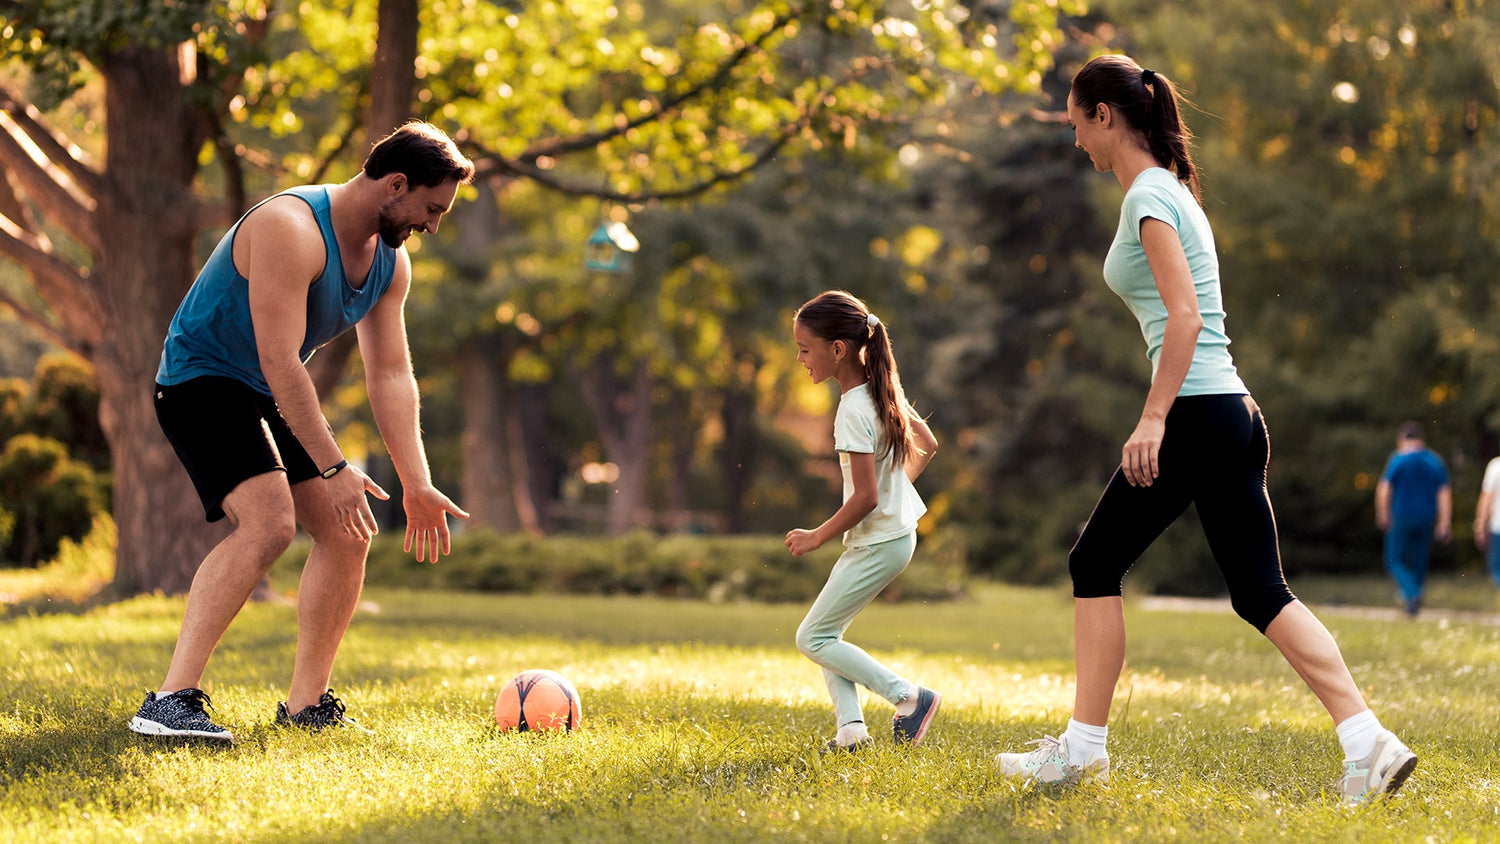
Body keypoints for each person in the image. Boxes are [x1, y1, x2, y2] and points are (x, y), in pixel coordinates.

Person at [993, 55, 1417, 805]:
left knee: (1095, 563)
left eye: (1076, 127)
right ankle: (1368, 743)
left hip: (1196, 412)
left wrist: (1152, 417)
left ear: (1104, 116)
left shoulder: (1150, 198)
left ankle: (1083, 753)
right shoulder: (1172, 192)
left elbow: (1184, 318)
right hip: (1230, 414)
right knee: (1261, 592)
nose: (1077, 145)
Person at [128, 122, 475, 742]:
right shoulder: (289, 228)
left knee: (348, 534)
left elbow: (392, 375)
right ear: (394, 184)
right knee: (269, 524)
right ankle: (169, 701)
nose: (433, 224)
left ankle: (304, 707)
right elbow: (279, 360)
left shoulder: (390, 264)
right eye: (430, 207)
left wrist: (417, 482)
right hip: (198, 382)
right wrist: (338, 469)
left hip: (262, 390)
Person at [786, 291, 942, 752]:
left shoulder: (853, 408)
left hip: (879, 541)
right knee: (827, 632)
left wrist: (817, 535)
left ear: (837, 349)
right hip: (893, 537)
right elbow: (928, 444)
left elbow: (867, 497)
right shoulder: (881, 390)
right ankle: (851, 732)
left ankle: (909, 698)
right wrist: (899, 493)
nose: (799, 359)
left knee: (812, 636)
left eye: (804, 348)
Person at [1375, 421, 1451, 616]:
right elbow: (1444, 493)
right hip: (1426, 517)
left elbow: (1384, 489)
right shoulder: (1435, 461)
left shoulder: (1398, 459)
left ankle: (1412, 594)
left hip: (1401, 517)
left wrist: (1382, 513)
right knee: (1419, 561)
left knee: (1394, 560)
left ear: (1402, 439)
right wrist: (1444, 522)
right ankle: (1413, 602)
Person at [1472, 453, 1500, 590]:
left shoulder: (1496, 466)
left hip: (1497, 526)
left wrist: (1480, 525)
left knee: (1496, 567)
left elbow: (1486, 498)